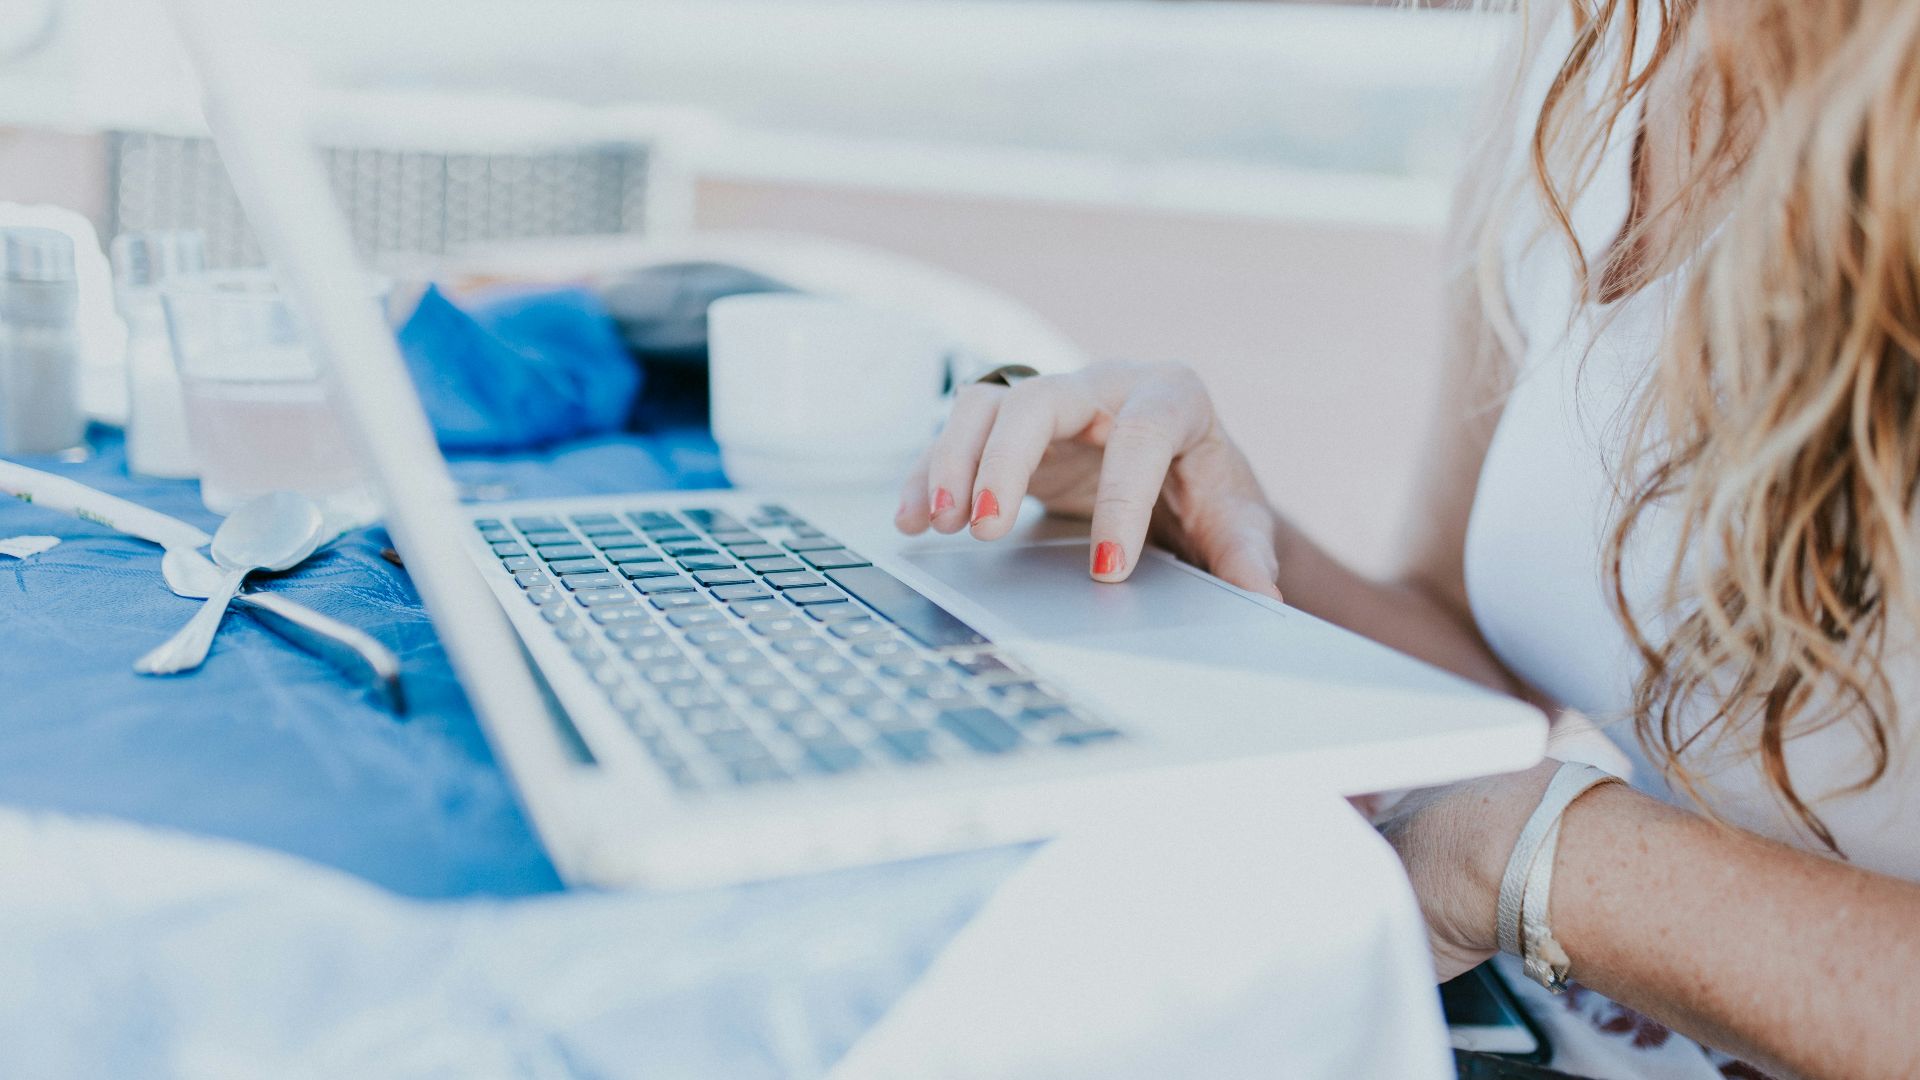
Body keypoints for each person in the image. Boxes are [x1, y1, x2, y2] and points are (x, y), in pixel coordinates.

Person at [895, 1, 1920, 1076]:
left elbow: (1506, 818)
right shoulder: (1584, 60)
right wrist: (1204, 528)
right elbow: (1476, 671)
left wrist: (1537, 857)